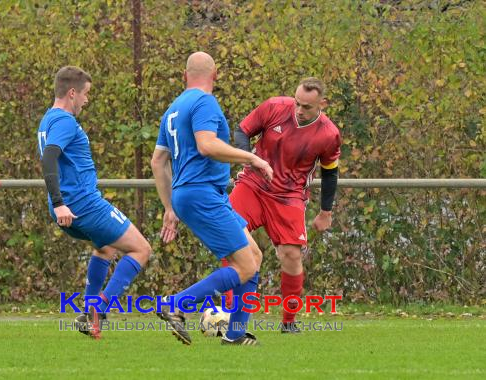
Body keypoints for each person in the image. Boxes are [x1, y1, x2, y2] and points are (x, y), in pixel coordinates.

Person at [150, 52, 273, 346]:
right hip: (202, 192)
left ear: (184, 75)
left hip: (193, 194)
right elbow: (207, 145)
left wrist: (169, 206)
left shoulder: (173, 109)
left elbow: (158, 161)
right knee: (244, 267)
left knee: (254, 257)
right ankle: (176, 303)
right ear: (215, 74)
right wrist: (251, 158)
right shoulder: (204, 102)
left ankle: (235, 334)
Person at [37, 66, 152, 340]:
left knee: (106, 248)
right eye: (86, 94)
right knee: (141, 250)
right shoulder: (64, 120)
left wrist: (57, 204)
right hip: (84, 205)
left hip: (68, 207)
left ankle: (89, 316)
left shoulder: (48, 120)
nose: (87, 100)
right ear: (72, 93)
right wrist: (59, 202)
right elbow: (49, 158)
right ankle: (98, 309)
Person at [222, 77, 342, 333]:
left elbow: (330, 173)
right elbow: (242, 131)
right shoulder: (274, 107)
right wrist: (251, 159)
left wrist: (325, 212)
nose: (299, 110)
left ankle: (288, 322)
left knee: (291, 255)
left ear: (323, 103)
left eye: (307, 106)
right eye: (297, 102)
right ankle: (228, 316)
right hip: (253, 185)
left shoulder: (329, 134)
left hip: (289, 196)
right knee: (230, 239)